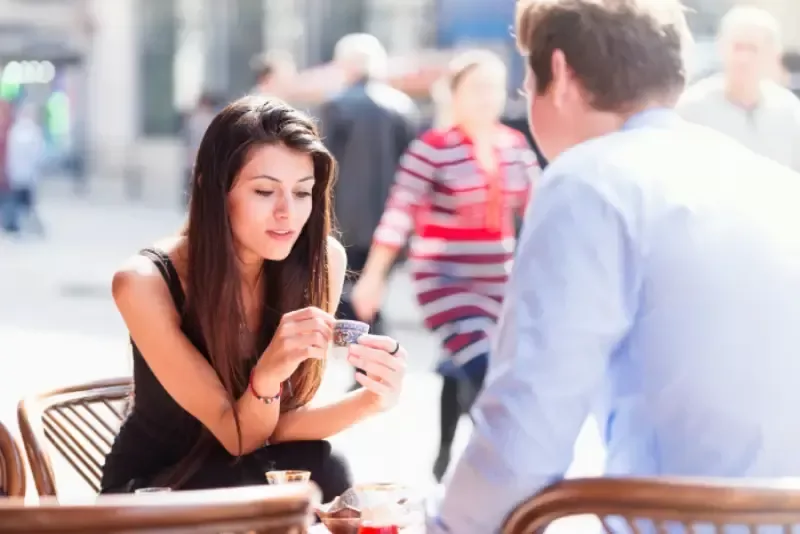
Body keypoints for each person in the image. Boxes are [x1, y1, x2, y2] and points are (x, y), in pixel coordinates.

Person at [431, 0, 800, 532]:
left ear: (556, 73)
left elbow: (524, 434)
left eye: (522, 83)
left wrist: (436, 523)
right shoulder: (772, 182)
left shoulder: (590, 179)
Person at [101, 96, 408, 502]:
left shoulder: (323, 262)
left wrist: (372, 399)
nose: (287, 213)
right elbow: (238, 435)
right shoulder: (144, 282)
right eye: (265, 191)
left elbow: (275, 426)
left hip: (248, 469)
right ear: (212, 188)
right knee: (277, 490)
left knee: (326, 468)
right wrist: (265, 376)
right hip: (156, 488)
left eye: (303, 193)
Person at [350, 50, 539, 483]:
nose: (487, 98)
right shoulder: (432, 148)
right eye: (476, 88)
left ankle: (445, 456)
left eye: (494, 87)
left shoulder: (514, 147)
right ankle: (500, 469)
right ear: (454, 95)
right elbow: (399, 214)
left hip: (499, 282)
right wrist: (373, 278)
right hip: (446, 281)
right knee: (480, 362)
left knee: (463, 362)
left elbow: (540, 209)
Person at [319, 33, 419, 342]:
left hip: (345, 219)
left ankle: (367, 356)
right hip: (391, 220)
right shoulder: (402, 107)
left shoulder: (337, 105)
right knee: (372, 291)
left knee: (353, 291)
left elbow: (323, 163)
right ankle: (369, 356)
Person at [677, 6, 800, 171]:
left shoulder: (789, 112)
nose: (743, 58)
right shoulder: (691, 110)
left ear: (773, 54)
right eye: (738, 48)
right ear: (721, 49)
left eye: (752, 49)